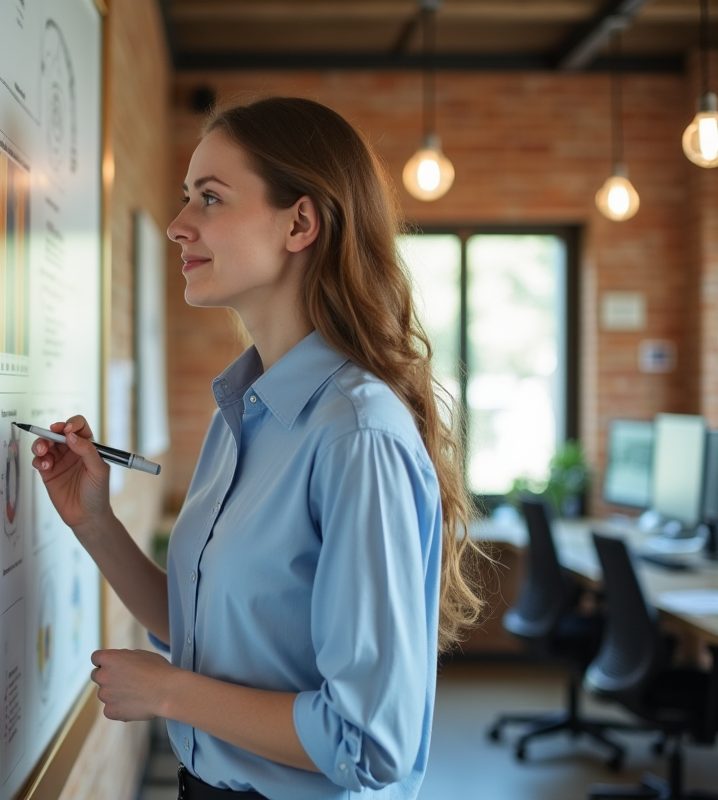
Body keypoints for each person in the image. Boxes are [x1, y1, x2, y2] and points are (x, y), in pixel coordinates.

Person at [30, 97, 485, 799]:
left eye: (209, 199)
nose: (180, 226)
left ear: (300, 223)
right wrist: (94, 521)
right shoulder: (243, 413)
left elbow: (369, 742)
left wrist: (171, 695)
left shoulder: (356, 436)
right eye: (187, 198)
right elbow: (207, 626)